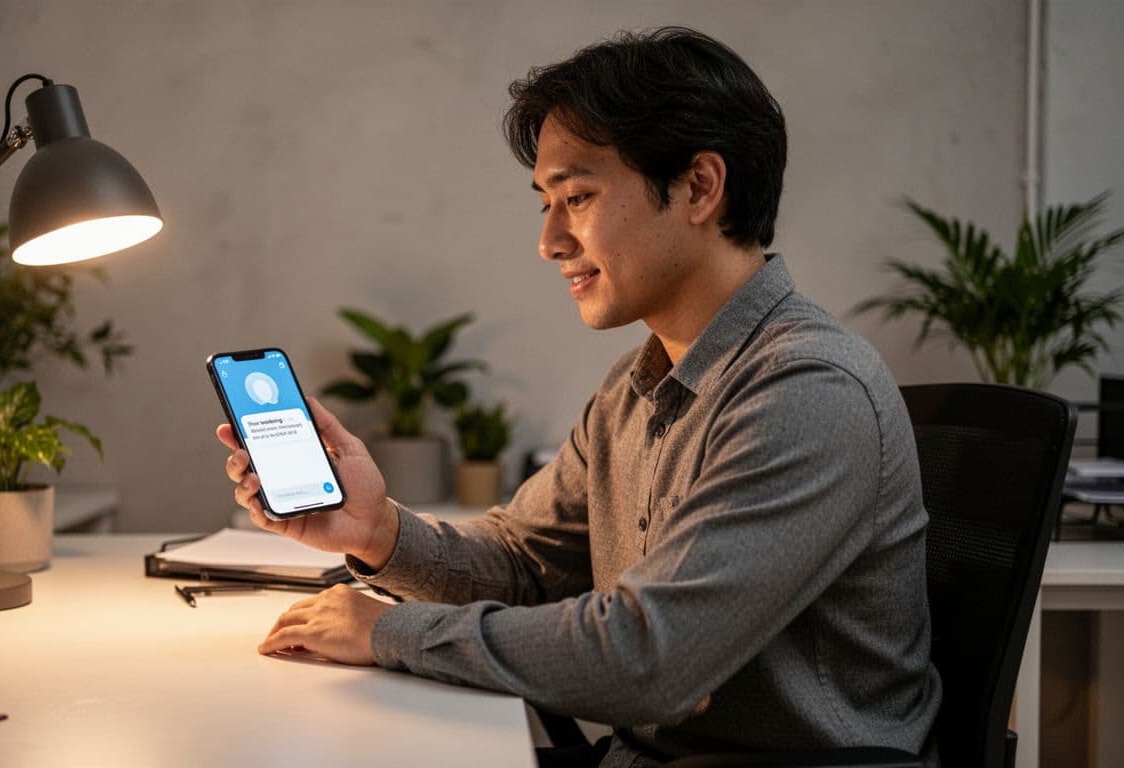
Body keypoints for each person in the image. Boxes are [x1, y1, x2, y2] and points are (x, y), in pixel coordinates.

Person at [215, 26, 941, 766]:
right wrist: (377, 532)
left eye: (579, 197)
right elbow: (525, 566)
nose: (550, 240)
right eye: (546, 204)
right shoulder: (638, 385)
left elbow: (647, 659)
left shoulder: (806, 391)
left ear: (699, 188)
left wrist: (383, 632)